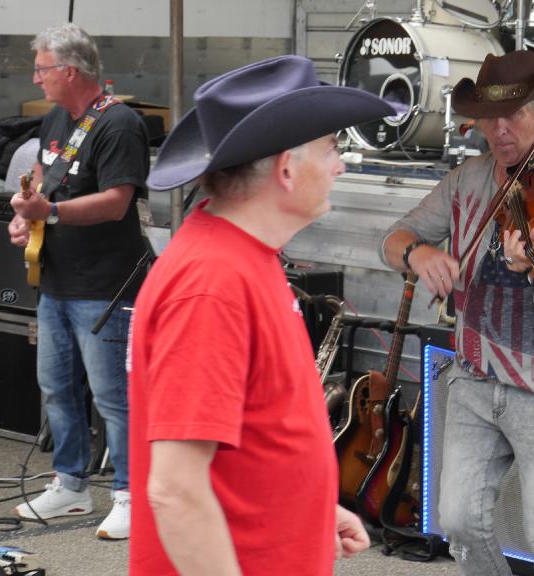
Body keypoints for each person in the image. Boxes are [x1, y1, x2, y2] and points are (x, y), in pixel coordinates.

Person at [128, 55, 394, 575]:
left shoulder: (241, 257)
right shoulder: (212, 284)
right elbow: (176, 490)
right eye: (332, 147)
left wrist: (309, 510)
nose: (340, 165)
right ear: (286, 168)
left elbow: (253, 436)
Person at [381, 50, 534, 576]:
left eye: (515, 115)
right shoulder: (466, 180)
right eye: (491, 118)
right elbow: (393, 239)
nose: (501, 130)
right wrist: (420, 254)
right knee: (457, 522)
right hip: (475, 380)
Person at [7, 23, 149, 540]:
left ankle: (129, 495)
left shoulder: (120, 123)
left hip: (106, 285)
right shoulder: (55, 120)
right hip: (56, 279)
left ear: (69, 71)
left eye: (41, 69)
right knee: (57, 388)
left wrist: (50, 213)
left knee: (113, 395)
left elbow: (116, 202)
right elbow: (45, 183)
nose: (35, 78)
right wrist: (25, 216)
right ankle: (69, 484)